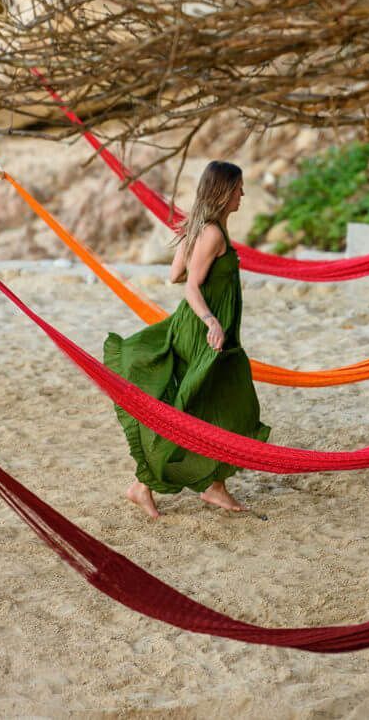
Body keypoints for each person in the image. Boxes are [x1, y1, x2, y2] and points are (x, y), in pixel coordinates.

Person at [104, 161, 270, 518]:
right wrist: (211, 320)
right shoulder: (211, 234)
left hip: (202, 331)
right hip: (203, 334)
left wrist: (191, 241)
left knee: (202, 405)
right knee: (214, 405)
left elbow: (175, 274)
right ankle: (157, 484)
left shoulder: (205, 230)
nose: (243, 194)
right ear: (224, 192)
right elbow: (189, 285)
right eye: (239, 188)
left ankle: (204, 487)